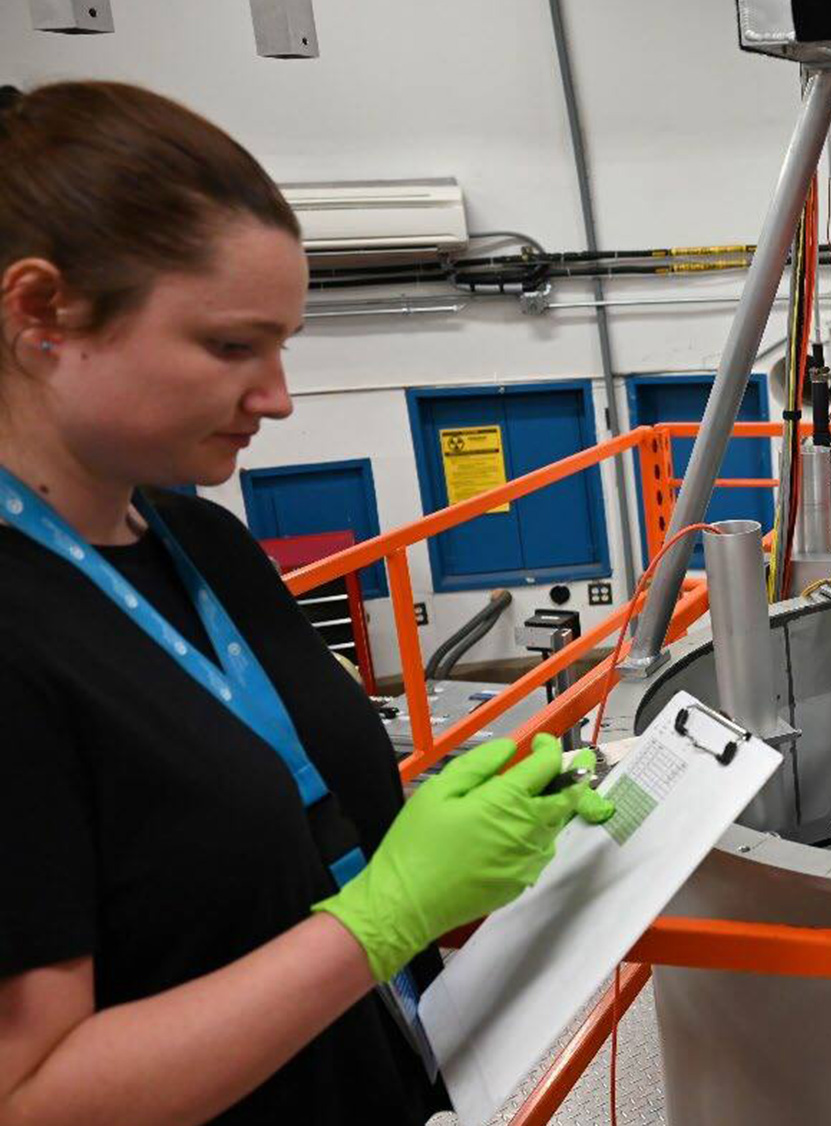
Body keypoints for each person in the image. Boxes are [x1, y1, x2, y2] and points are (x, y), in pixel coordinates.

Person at [0, 82, 613, 1125]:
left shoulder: (200, 539)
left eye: (283, 344)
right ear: (42, 312)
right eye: (233, 348)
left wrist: (433, 827)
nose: (278, 394)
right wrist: (383, 915)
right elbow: (34, 1094)